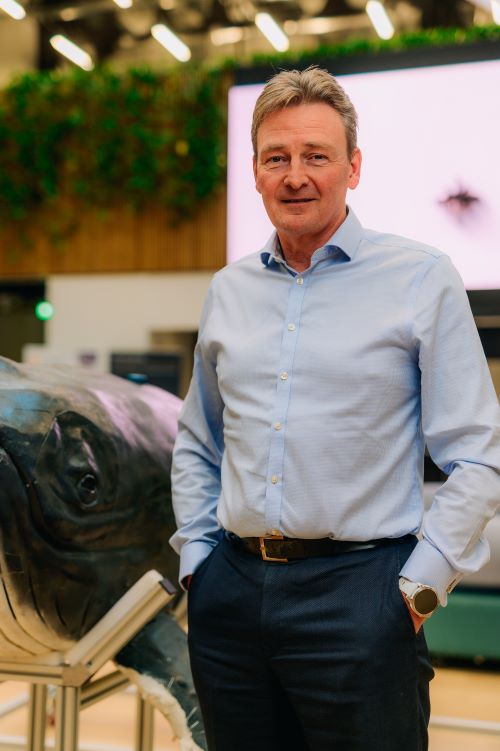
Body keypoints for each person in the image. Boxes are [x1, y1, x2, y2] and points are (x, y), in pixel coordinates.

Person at [170, 66, 500, 750]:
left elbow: (479, 455)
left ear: (353, 167)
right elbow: (199, 442)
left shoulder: (420, 276)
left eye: (316, 156)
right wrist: (199, 562)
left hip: (365, 595)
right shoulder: (228, 290)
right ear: (256, 173)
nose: (296, 175)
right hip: (231, 593)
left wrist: (419, 591)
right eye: (277, 158)